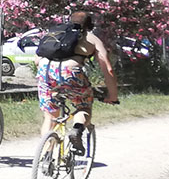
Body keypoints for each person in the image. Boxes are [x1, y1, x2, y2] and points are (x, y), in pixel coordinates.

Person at [36, 11, 119, 149]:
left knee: (50, 117)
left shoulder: (54, 34)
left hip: (46, 72)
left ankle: (46, 156)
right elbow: (108, 69)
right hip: (70, 72)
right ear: (89, 25)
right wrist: (113, 96)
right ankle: (77, 129)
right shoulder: (91, 38)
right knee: (83, 107)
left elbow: (37, 60)